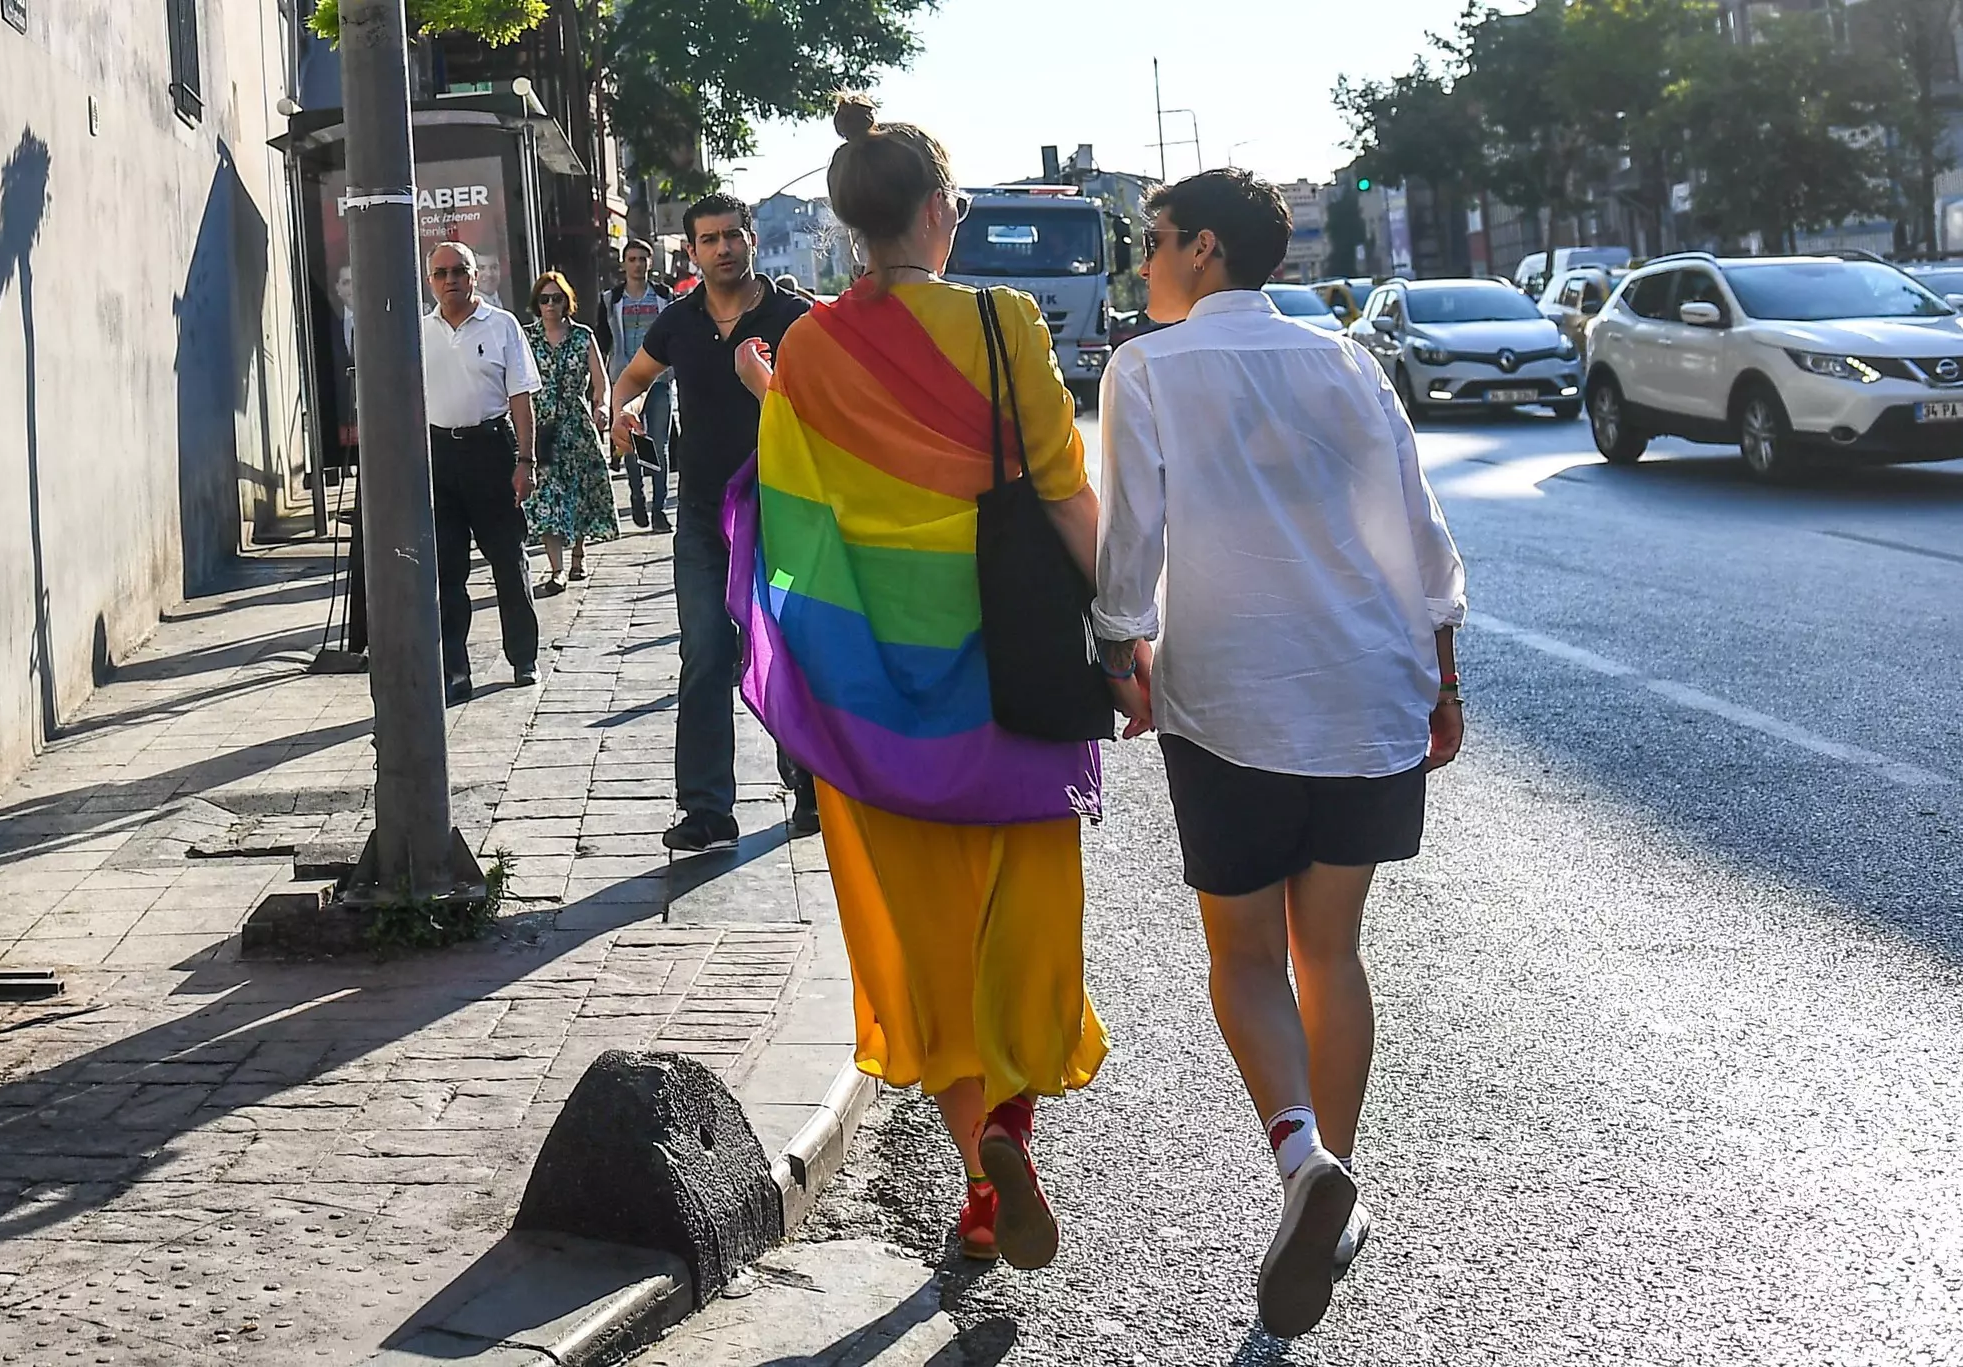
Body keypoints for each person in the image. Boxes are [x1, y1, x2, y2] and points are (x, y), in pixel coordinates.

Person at [729, 95, 1108, 1271]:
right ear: (940, 211)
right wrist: (1133, 635)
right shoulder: (1004, 321)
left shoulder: (806, 351)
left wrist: (776, 398)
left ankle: (980, 1181)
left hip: (872, 704)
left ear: (848, 223)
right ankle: (1009, 1132)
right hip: (1014, 680)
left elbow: (796, 518)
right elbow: (1061, 489)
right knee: (1020, 935)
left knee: (925, 948)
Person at [1091, 169, 1467, 1338]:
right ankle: (1334, 1185)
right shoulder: (1347, 362)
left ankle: (1303, 1161)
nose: (1140, 264)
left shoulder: (1146, 369)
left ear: (1202, 248)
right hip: (1368, 693)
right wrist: (1443, 682)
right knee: (1332, 951)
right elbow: (1416, 534)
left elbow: (1130, 547)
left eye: (1151, 242)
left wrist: (1118, 652)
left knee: (1246, 954)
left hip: (1234, 704)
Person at [610, 196, 818, 853]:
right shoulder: (677, 323)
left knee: (794, 650)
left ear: (751, 240)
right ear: (692, 251)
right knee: (704, 651)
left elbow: (829, 408)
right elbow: (634, 379)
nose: (723, 247)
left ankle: (811, 784)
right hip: (702, 514)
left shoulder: (794, 318)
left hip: (782, 509)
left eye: (733, 235)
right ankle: (706, 810)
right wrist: (627, 409)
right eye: (709, 239)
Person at [422, 240, 544, 703]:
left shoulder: (502, 326)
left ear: (475, 276)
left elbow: (520, 399)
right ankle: (455, 669)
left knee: (507, 561)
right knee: (447, 570)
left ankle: (523, 657)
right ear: (430, 280)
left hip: (491, 451)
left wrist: (525, 462)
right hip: (439, 455)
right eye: (441, 273)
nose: (450, 280)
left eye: (459, 271)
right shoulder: (420, 329)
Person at [524, 271, 619, 594]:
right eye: (545, 299)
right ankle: (556, 569)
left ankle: (577, 553)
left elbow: (600, 380)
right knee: (547, 495)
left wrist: (602, 406)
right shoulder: (527, 339)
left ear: (567, 301)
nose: (551, 305)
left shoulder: (582, 336)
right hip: (541, 427)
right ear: (537, 304)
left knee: (577, 493)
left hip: (575, 425)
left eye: (557, 298)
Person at [592, 239, 676, 531]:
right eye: (632, 259)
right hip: (626, 381)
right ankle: (637, 495)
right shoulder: (611, 299)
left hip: (660, 380)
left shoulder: (664, 296)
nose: (638, 264)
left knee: (659, 445)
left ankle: (659, 507)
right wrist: (598, 385)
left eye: (643, 259)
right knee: (632, 442)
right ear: (624, 264)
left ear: (650, 263)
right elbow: (602, 341)